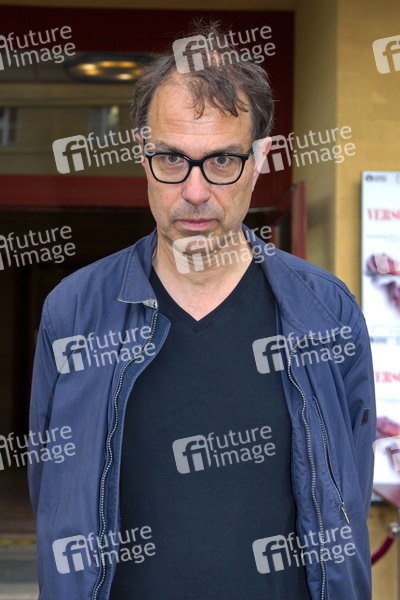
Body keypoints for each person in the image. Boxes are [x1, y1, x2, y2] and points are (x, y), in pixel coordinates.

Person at [28, 21, 376, 600]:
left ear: (260, 159)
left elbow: (348, 494)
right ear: (142, 155)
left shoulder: (326, 311)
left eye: (221, 161)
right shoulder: (75, 311)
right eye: (172, 158)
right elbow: (52, 494)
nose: (194, 191)